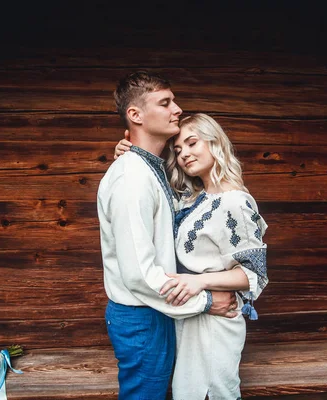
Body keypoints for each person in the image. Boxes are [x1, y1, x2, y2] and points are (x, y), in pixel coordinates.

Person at [97, 71, 239, 400]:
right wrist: (206, 301)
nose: (177, 108)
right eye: (165, 102)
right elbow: (138, 274)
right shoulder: (132, 177)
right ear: (135, 115)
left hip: (160, 309)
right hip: (142, 314)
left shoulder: (149, 169)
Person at [115, 113, 268, 400]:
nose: (184, 153)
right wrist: (130, 154)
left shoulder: (235, 201)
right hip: (192, 316)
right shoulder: (195, 199)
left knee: (214, 392)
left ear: (215, 142)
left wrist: (199, 283)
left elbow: (254, 275)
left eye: (192, 143)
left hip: (216, 323)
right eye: (178, 150)